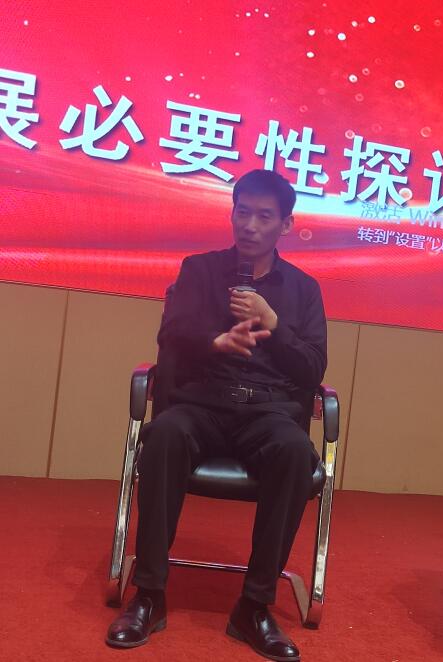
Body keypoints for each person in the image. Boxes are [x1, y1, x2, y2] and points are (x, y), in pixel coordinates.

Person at [106, 169, 327, 661]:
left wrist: (274, 323)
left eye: (264, 217)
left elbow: (313, 367)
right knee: (163, 436)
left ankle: (254, 606)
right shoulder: (199, 270)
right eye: (242, 212)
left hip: (266, 411)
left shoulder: (303, 289)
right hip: (201, 402)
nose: (250, 225)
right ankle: (149, 594)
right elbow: (172, 334)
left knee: (295, 452)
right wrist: (215, 341)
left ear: (286, 224)